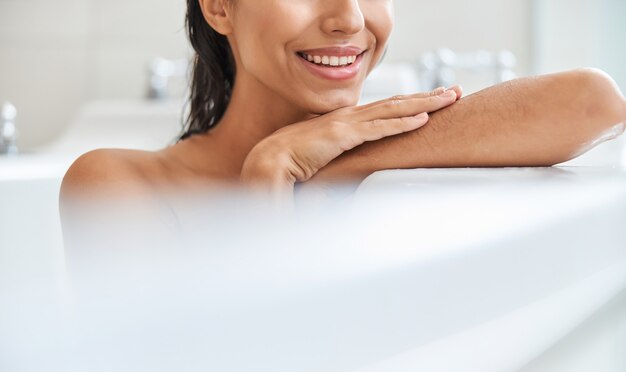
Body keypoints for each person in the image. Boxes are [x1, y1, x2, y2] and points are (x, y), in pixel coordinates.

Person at [60, 0, 626, 211]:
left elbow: (592, 102)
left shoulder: (385, 151)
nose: (350, 18)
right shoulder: (115, 184)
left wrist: (324, 165)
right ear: (218, 7)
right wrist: (267, 175)